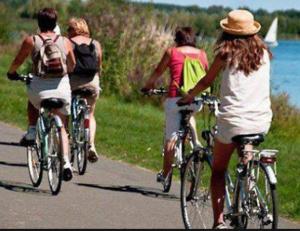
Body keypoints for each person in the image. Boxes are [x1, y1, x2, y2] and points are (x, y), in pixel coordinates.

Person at [178, 10, 273, 229]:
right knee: (245, 150)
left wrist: (190, 94)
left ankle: (219, 222)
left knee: (219, 170)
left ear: (227, 32)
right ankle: (251, 191)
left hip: (232, 119)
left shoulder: (226, 53)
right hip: (260, 119)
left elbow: (207, 81)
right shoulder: (265, 54)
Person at [7, 8, 76, 181]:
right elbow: (72, 64)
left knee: (32, 101)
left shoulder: (32, 40)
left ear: (38, 23)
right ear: (56, 24)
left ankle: (31, 131)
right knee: (63, 128)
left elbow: (17, 61)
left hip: (39, 88)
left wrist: (12, 73)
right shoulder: (66, 41)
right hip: (62, 89)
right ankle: (66, 163)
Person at [142, 27, 209, 185]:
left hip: (175, 99)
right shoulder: (202, 54)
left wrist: (148, 86)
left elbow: (158, 71)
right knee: (190, 114)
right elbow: (206, 74)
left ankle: (165, 173)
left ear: (177, 40)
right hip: (195, 99)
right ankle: (196, 141)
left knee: (171, 138)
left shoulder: (171, 52)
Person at [67, 17, 102, 163]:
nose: (67, 31)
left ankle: (67, 136)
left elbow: (66, 63)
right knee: (91, 113)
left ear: (75, 29)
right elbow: (99, 64)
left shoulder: (68, 42)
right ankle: (91, 145)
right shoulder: (95, 43)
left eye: (69, 29)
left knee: (64, 112)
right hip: (92, 82)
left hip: (74, 82)